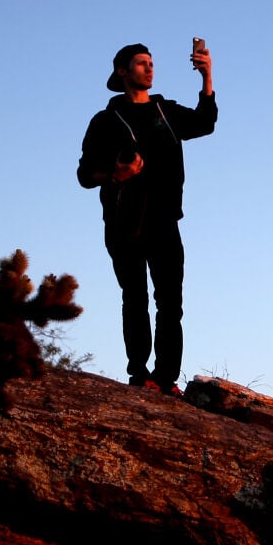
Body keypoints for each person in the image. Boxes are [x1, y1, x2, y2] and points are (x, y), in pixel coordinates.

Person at [77, 40, 218, 394]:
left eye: (152, 63)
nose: (150, 68)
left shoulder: (165, 111)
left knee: (171, 301)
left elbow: (204, 122)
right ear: (122, 72)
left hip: (165, 219)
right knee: (135, 298)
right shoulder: (106, 120)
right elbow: (84, 174)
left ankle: (166, 377)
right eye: (141, 63)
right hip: (123, 221)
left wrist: (207, 76)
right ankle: (139, 375)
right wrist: (115, 174)